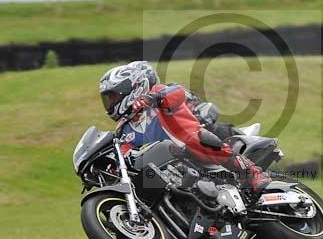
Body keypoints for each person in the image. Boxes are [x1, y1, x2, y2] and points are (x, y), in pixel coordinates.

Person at [99, 61, 271, 195]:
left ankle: (252, 172)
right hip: (167, 164)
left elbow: (177, 93)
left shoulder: (158, 93)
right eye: (109, 98)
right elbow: (123, 151)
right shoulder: (124, 129)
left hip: (188, 141)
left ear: (133, 88)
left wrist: (154, 98)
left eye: (114, 96)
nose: (111, 102)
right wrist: (110, 170)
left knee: (200, 139)